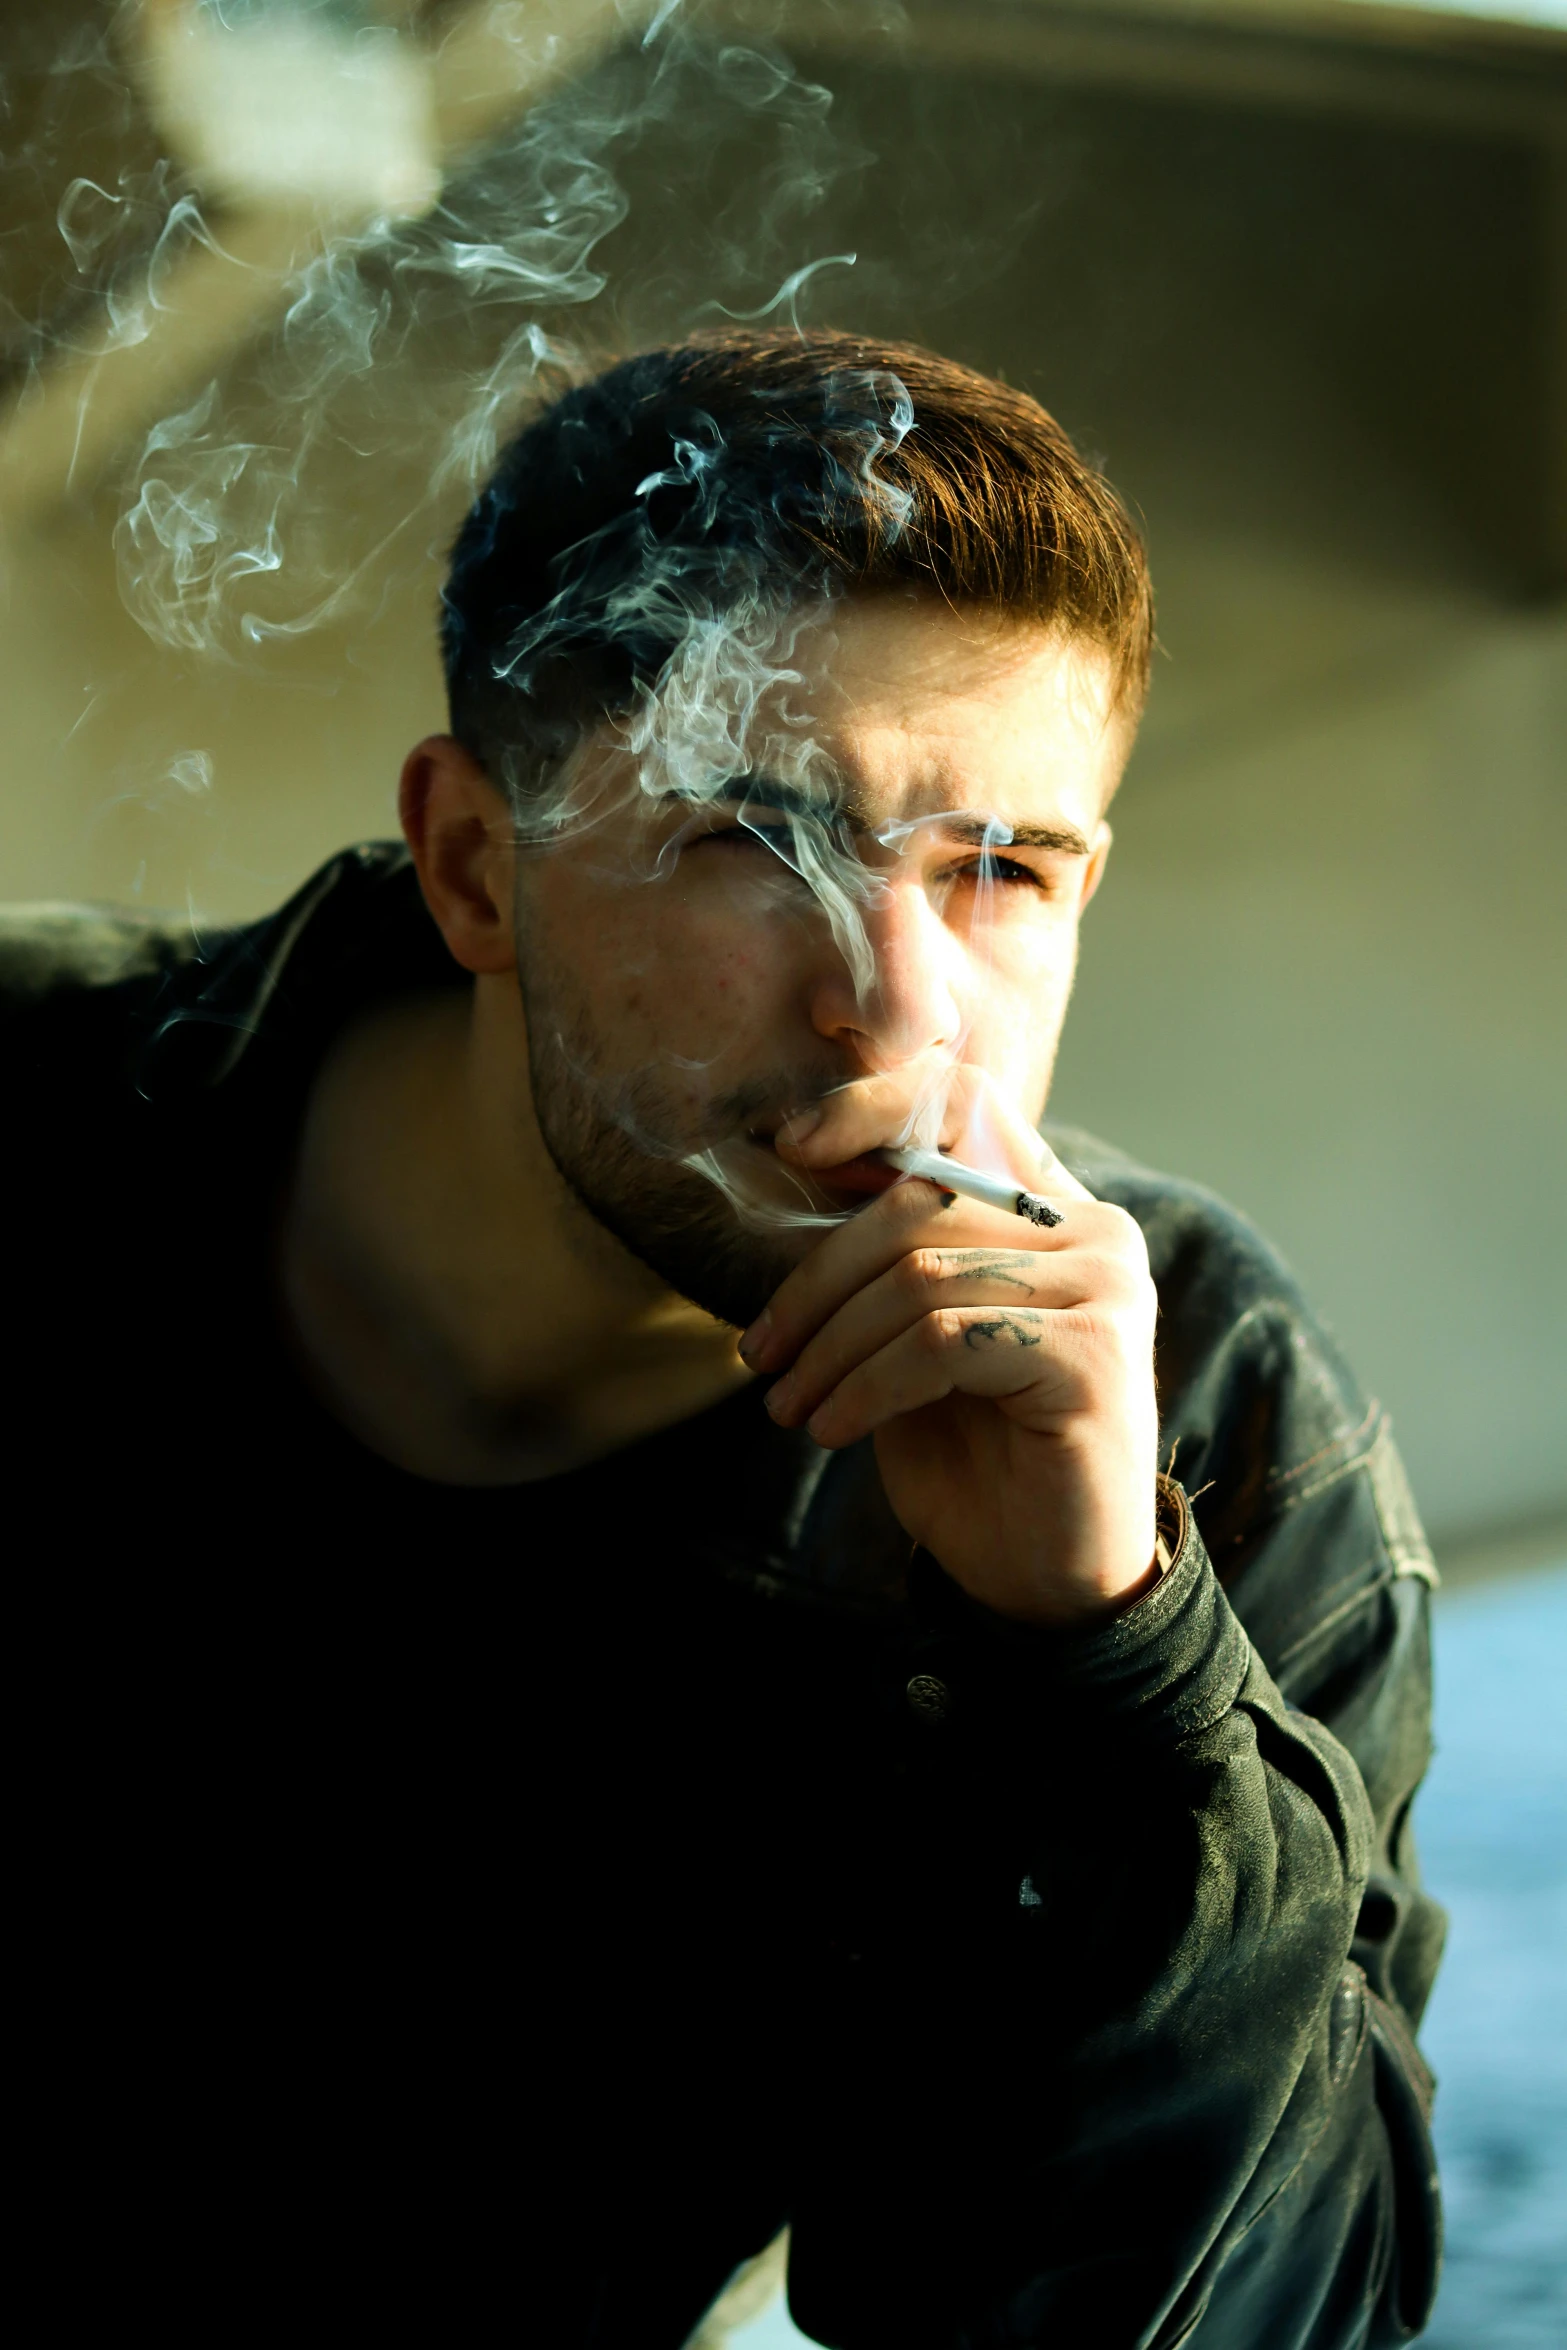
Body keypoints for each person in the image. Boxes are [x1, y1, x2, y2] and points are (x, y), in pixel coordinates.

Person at [7, 332, 1443, 2345]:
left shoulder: (1197, 1412)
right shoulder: (47, 1108)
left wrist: (1103, 1663)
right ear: (473, 865)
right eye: (756, 841)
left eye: (1003, 869)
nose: (901, 1012)